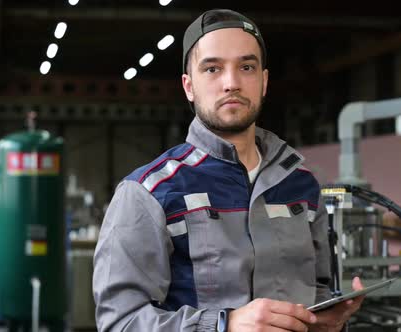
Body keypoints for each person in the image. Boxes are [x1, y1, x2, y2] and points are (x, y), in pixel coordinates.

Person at [93, 9, 364, 332]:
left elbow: (318, 289)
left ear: (263, 81)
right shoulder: (148, 193)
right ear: (189, 86)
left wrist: (328, 323)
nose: (231, 83)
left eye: (246, 67)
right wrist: (224, 325)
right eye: (212, 68)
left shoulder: (302, 186)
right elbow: (119, 322)